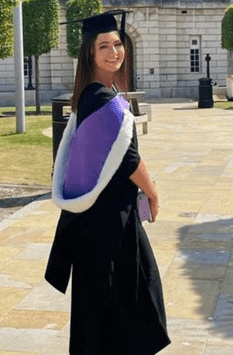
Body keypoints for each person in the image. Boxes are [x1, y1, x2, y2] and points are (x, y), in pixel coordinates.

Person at [45, 9, 171, 355]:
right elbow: (129, 159)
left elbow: (124, 150)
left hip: (98, 219)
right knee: (129, 297)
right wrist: (153, 192)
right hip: (111, 220)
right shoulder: (103, 100)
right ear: (90, 53)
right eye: (105, 46)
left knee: (104, 302)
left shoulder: (90, 95)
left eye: (118, 44)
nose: (115, 52)